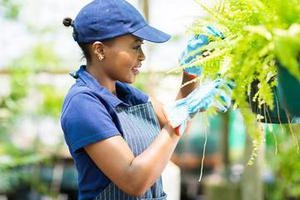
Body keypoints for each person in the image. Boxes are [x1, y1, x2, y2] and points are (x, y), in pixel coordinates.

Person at [60, 0, 231, 199]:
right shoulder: (83, 104)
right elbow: (133, 180)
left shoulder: (127, 94)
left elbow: (175, 123)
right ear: (99, 50)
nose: (142, 56)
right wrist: (182, 113)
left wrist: (190, 71)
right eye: (135, 47)